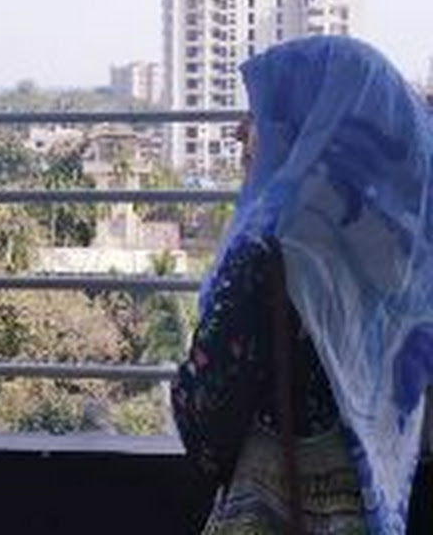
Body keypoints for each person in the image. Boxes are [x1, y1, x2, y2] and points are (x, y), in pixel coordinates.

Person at [171, 36, 433, 534]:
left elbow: (206, 420)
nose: (243, 132)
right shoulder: (412, 256)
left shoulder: (269, 259)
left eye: (266, 116)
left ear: (310, 129)